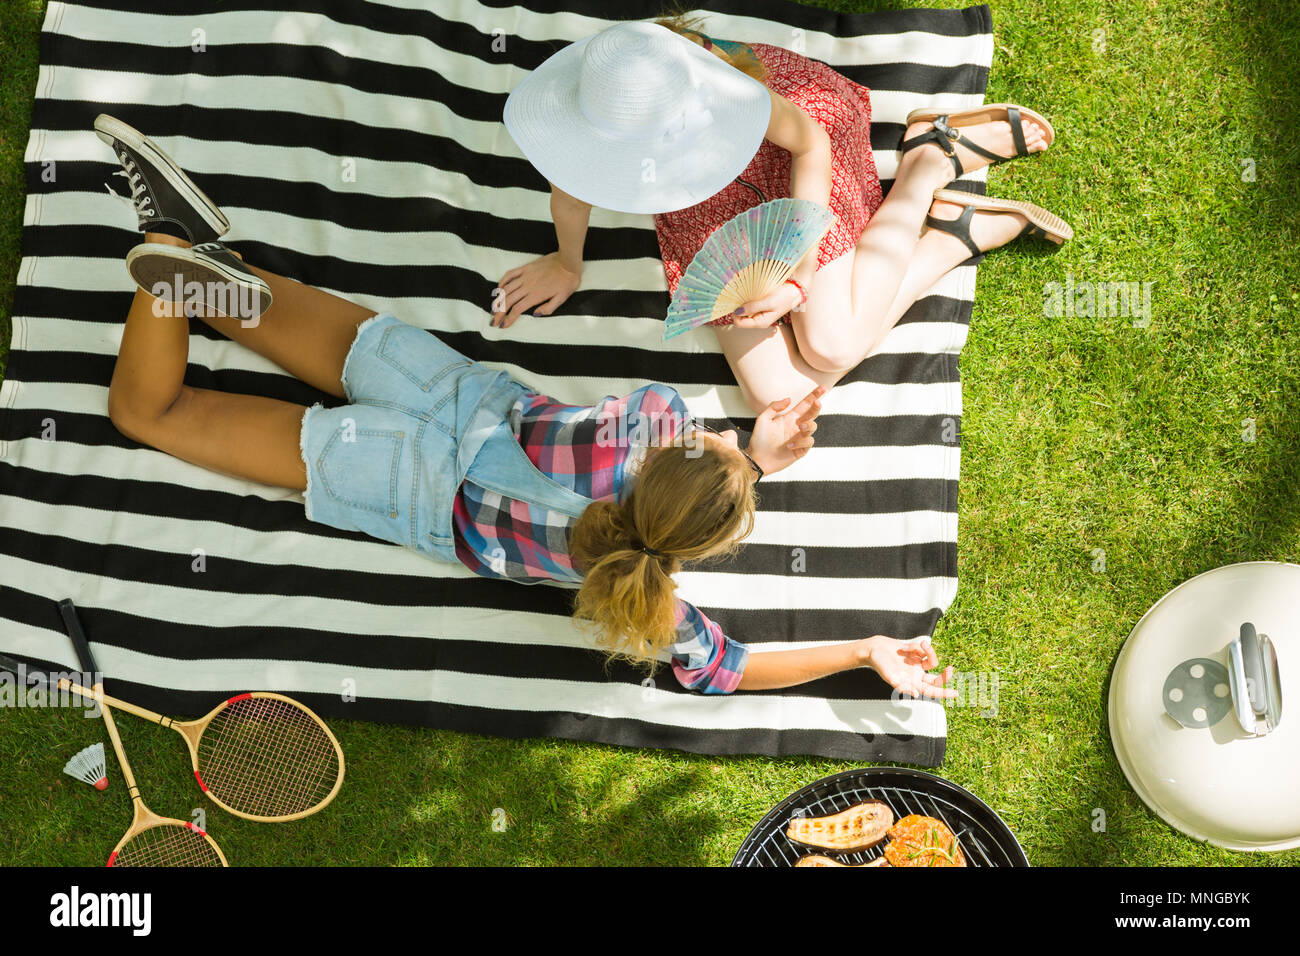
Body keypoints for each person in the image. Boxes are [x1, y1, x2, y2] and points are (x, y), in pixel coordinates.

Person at [95, 115, 957, 700]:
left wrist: (749, 455)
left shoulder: (647, 421)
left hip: (440, 386)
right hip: (408, 481)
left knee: (239, 302)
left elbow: (685, 454)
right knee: (157, 416)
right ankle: (172, 254)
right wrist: (863, 651)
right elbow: (728, 670)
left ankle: (189, 255)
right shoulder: (646, 599)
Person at [496, 18, 1070, 413]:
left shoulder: (724, 81)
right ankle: (945, 229)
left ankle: (923, 175)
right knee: (781, 398)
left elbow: (809, 145)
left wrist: (801, 272)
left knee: (831, 347)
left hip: (790, 161)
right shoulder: (588, 128)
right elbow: (569, 197)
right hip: (709, 221)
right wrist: (567, 264)